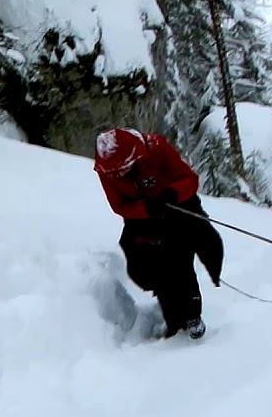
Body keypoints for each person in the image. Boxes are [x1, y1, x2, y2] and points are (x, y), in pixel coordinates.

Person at [93, 128, 224, 339]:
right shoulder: (106, 169)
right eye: (115, 172)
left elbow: (189, 180)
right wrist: (144, 209)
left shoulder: (156, 148)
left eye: (123, 168)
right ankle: (173, 317)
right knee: (151, 269)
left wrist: (172, 194)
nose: (120, 175)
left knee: (182, 258)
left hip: (177, 206)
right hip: (144, 218)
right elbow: (119, 205)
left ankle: (191, 317)